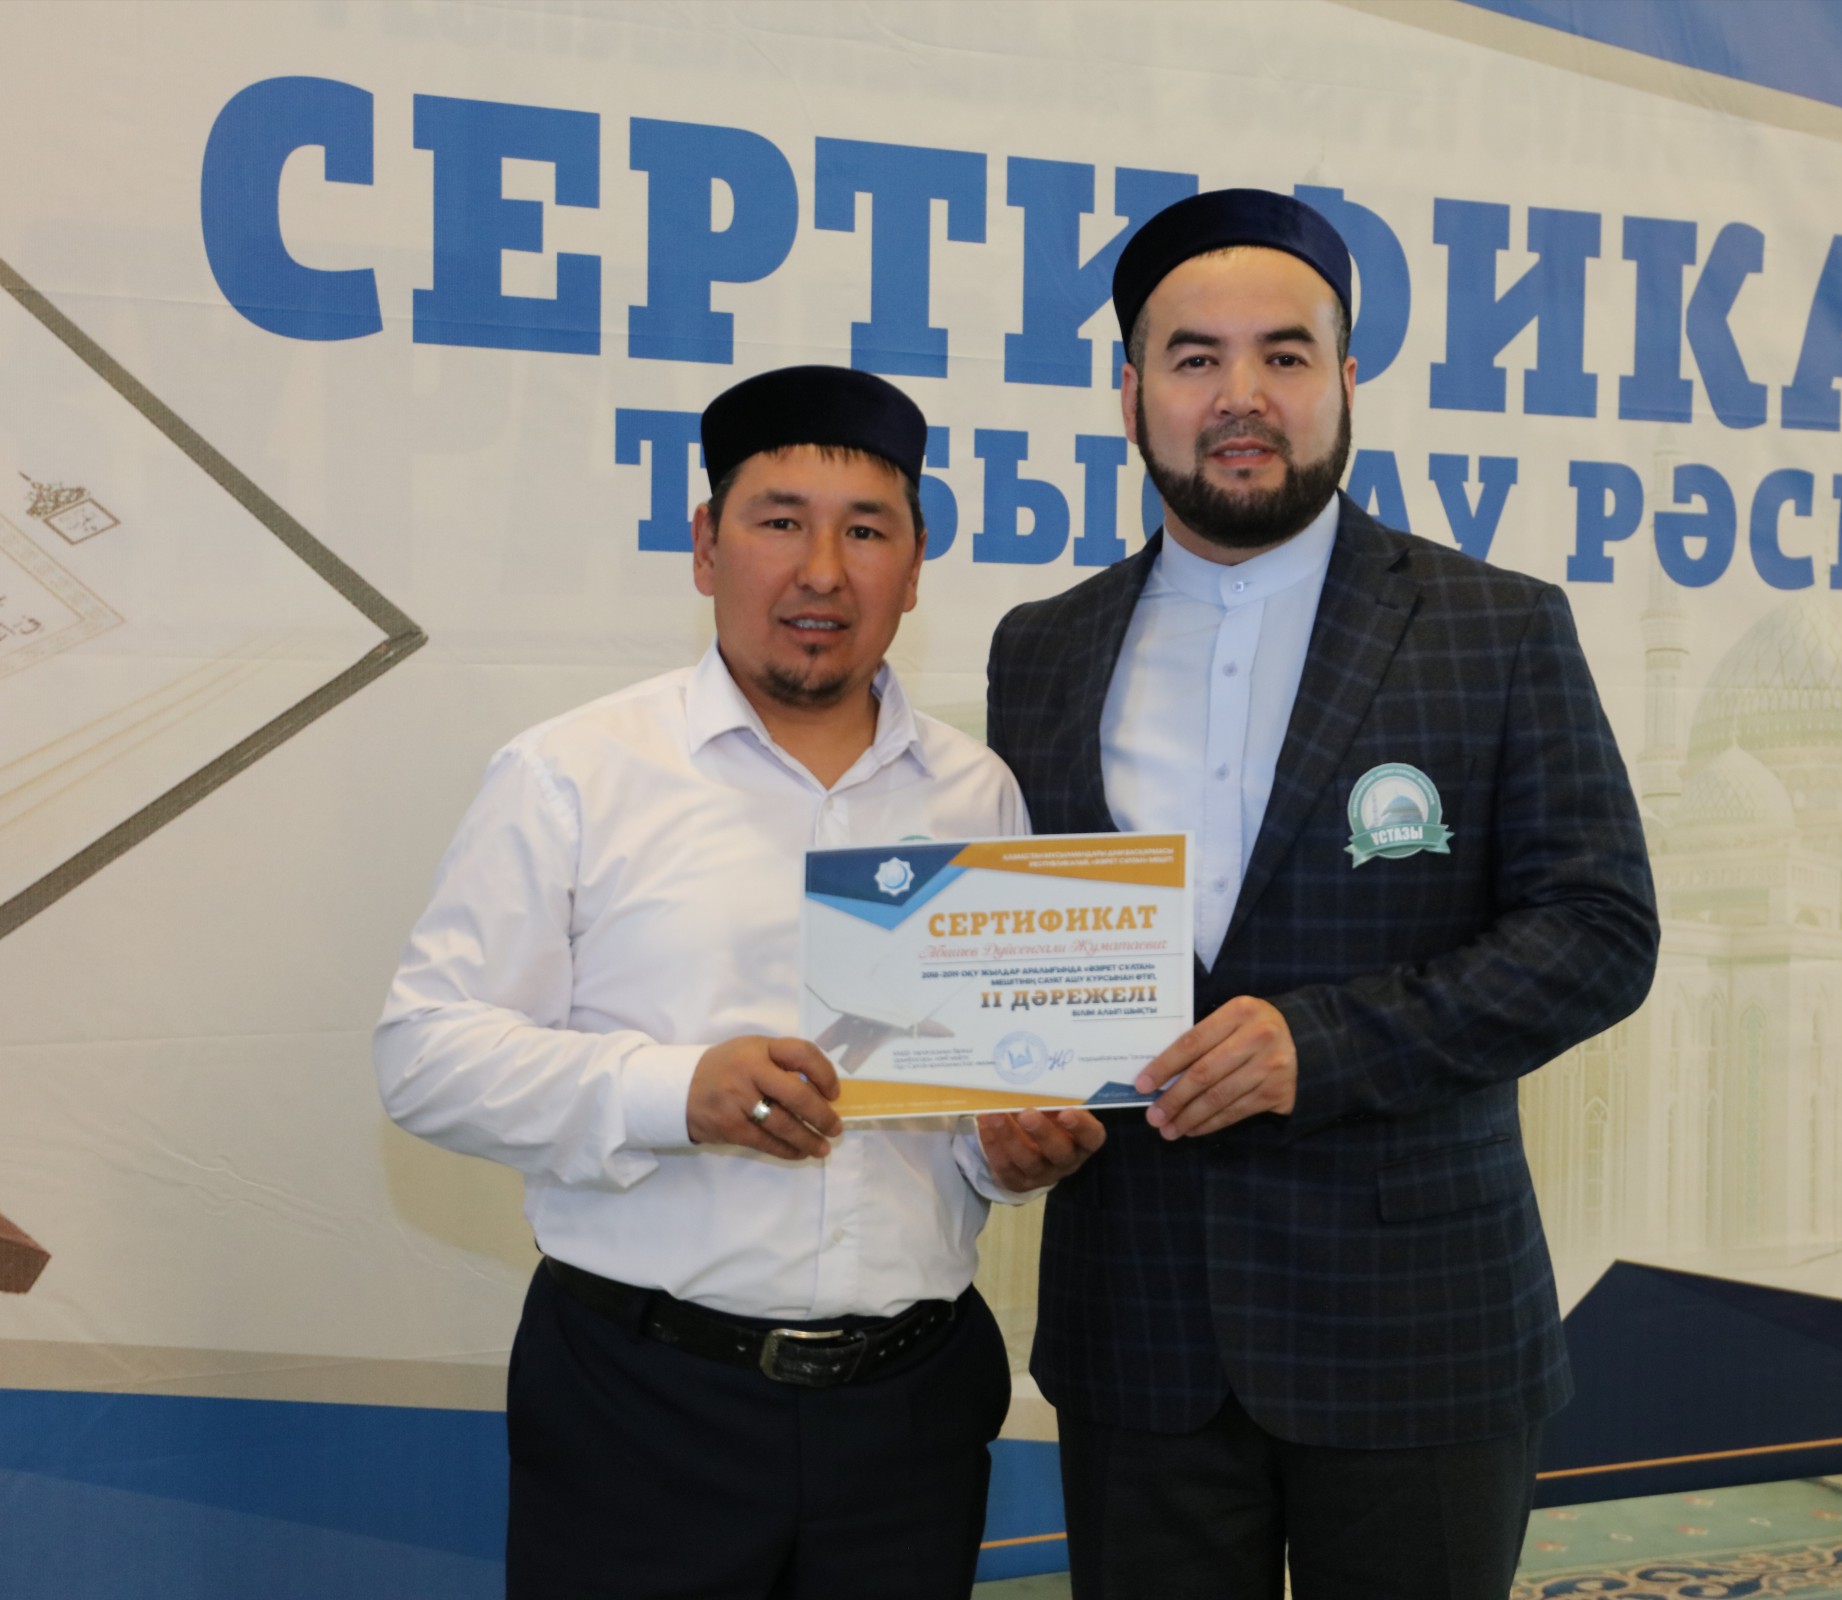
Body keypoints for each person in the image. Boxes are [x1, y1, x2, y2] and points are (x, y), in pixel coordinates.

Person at [985, 190, 1660, 1599]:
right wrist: (1014, 1103)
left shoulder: (1495, 625)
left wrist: (1324, 1044)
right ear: (1130, 395)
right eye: (1195, 357)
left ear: (1346, 382)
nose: (1242, 394)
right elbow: (1032, 953)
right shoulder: (1040, 648)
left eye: (1284, 355)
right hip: (1140, 1338)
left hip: (1418, 1334)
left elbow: (1599, 932)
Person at [375, 365, 1104, 1600]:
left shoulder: (977, 793)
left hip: (911, 1420)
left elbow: (969, 1114)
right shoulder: (575, 772)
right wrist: (676, 1091)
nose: (822, 570)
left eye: (865, 530)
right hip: (642, 1409)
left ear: (914, 567)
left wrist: (1013, 1150)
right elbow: (424, 1054)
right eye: (780, 521)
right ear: (708, 546)